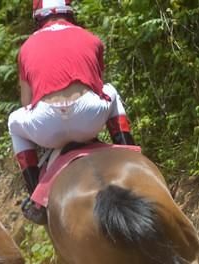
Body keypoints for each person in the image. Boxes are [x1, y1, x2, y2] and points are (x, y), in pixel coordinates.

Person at [8, 0, 135, 225]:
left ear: (38, 17)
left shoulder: (26, 48)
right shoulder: (91, 38)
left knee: (13, 121)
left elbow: (26, 102)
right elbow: (98, 86)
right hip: (88, 118)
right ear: (70, 13)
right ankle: (130, 156)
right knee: (111, 91)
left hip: (48, 126)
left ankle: (36, 198)